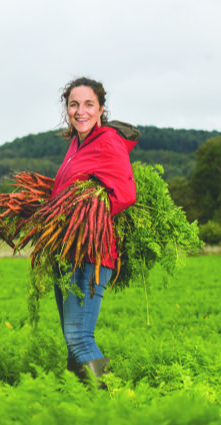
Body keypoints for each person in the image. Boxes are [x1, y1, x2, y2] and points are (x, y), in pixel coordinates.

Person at [51, 77, 139, 389]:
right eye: (74, 104)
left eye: (88, 104)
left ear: (100, 108)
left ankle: (109, 407)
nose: (80, 111)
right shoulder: (76, 143)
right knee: (72, 342)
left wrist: (83, 217)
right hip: (66, 253)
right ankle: (82, 408)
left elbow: (126, 192)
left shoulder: (107, 141)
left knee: (79, 339)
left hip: (90, 252)